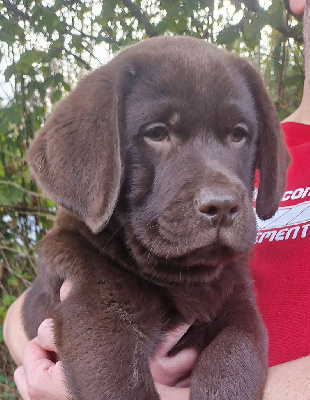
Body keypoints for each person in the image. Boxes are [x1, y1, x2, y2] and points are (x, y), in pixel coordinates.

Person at [4, 0, 310, 398]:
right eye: (159, 133)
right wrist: (34, 351)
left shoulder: (227, 260)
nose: (219, 192)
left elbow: (238, 329)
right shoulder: (97, 246)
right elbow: (32, 314)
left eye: (236, 135)